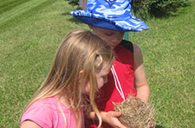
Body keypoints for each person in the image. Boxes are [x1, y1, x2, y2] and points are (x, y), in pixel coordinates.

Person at [70, 0, 151, 128]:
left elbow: (142, 85)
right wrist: (104, 117)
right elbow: (76, 106)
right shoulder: (83, 56)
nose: (116, 39)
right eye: (108, 33)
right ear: (91, 25)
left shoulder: (132, 51)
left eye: (121, 33)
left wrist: (137, 113)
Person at [20, 29, 114, 128]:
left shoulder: (75, 99)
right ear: (81, 76)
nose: (106, 81)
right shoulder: (43, 112)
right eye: (103, 77)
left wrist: (104, 116)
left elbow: (81, 113)